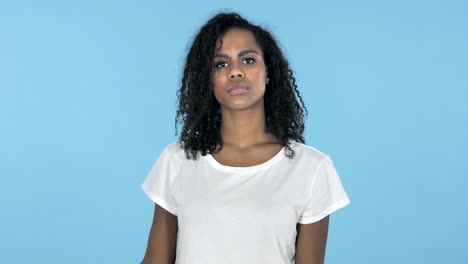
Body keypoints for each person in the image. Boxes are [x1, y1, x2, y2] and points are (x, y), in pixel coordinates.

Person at [140, 12, 351, 264]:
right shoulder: (177, 161)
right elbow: (155, 260)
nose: (235, 72)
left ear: (268, 73)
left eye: (248, 60)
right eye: (220, 64)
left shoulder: (311, 168)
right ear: (208, 80)